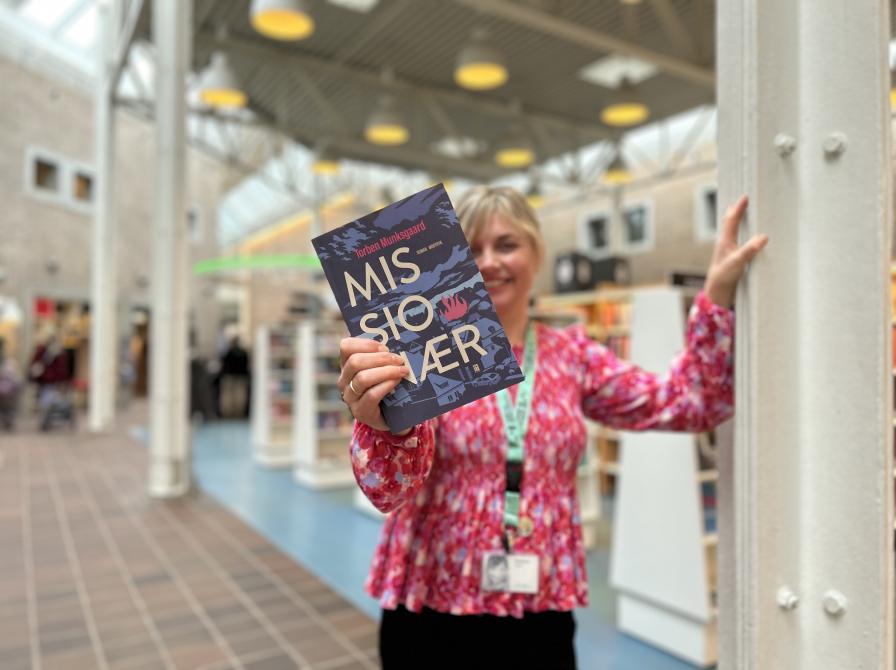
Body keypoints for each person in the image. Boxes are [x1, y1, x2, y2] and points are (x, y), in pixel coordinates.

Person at [338, 186, 767, 670]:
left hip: (537, 605)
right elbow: (388, 491)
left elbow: (690, 403)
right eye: (471, 249)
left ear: (537, 253)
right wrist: (383, 425)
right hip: (434, 602)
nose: (489, 262)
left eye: (506, 245)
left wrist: (717, 295)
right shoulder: (426, 353)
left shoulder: (571, 355)